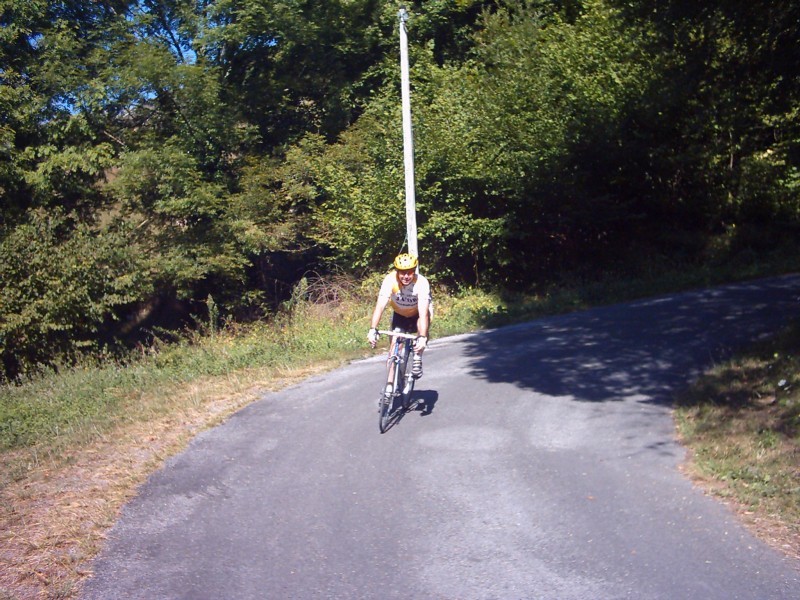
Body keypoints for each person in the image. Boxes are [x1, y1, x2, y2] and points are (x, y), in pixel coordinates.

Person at [367, 253, 432, 392]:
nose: (406, 276)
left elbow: (423, 313)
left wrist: (422, 337)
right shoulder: (390, 280)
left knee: (422, 326)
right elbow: (380, 306)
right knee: (393, 348)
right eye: (402, 273)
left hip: (418, 313)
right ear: (397, 272)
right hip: (400, 313)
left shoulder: (421, 283)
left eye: (409, 272)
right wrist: (373, 328)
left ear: (414, 271)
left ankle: (417, 356)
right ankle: (390, 385)